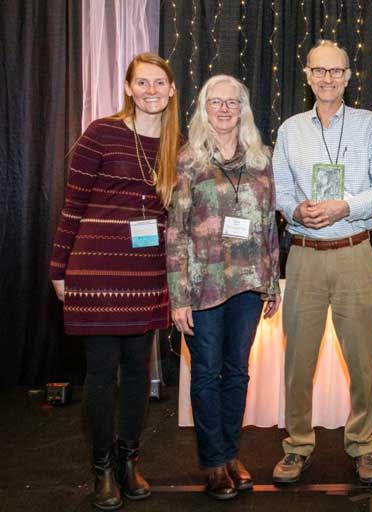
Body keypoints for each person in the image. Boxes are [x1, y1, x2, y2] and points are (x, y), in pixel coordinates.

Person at [49, 52, 180, 510]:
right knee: (102, 375)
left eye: (158, 83)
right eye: (141, 83)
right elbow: (72, 205)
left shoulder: (175, 144)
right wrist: (58, 269)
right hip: (97, 272)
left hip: (146, 275)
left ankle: (129, 461)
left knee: (139, 374)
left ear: (170, 90)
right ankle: (102, 468)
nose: (150, 91)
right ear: (128, 88)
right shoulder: (101, 133)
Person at [271, 39, 372, 485]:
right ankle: (297, 446)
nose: (328, 79)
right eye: (319, 71)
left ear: (348, 76)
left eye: (336, 71)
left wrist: (345, 206)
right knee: (298, 363)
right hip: (305, 258)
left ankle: (364, 447)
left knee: (363, 360)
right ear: (307, 75)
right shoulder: (290, 131)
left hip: (354, 254)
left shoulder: (369, 126)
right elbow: (280, 191)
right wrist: (294, 210)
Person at [166, 75, 281, 500]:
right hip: (204, 286)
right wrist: (178, 296)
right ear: (204, 108)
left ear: (243, 108)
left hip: (250, 284)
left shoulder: (260, 159)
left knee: (237, 372)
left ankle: (231, 453)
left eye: (232, 102)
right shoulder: (188, 160)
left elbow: (270, 222)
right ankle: (214, 462)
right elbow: (175, 231)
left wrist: (272, 281)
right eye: (216, 102)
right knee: (206, 374)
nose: (225, 109)